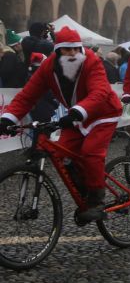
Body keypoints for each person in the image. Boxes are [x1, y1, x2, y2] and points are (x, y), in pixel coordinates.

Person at [0, 27, 122, 223]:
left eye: (76, 49)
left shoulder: (91, 61)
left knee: (91, 152)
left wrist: (77, 111)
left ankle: (96, 201)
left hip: (103, 113)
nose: (73, 53)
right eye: (67, 49)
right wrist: (8, 118)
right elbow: (27, 95)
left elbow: (99, 92)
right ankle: (85, 192)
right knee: (61, 154)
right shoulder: (48, 67)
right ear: (57, 51)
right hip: (76, 116)